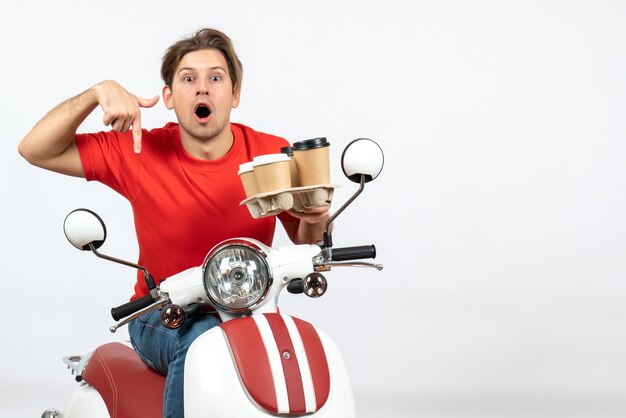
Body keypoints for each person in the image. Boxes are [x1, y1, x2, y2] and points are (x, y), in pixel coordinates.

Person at [18, 28, 330, 418]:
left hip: (252, 310)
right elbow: (34, 149)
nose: (203, 89)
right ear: (168, 97)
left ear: (234, 94)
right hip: (161, 313)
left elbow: (307, 243)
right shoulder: (138, 150)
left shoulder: (268, 154)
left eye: (216, 77)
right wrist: (98, 91)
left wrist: (316, 219)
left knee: (298, 346)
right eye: (188, 79)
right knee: (204, 343)